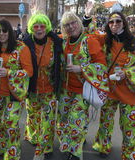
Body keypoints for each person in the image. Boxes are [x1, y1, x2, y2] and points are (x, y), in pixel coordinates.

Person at [91, 12, 135, 160]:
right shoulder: (105, 40)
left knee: (129, 125)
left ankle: (129, 154)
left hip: (130, 92)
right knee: (105, 121)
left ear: (124, 22)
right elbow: (87, 36)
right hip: (110, 90)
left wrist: (128, 73)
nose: (114, 24)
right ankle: (103, 146)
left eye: (118, 21)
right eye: (111, 22)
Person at [57, 11, 108, 160]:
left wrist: (81, 69)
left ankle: (74, 153)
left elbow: (101, 65)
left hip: (82, 90)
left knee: (75, 120)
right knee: (64, 120)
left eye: (73, 23)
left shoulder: (89, 41)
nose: (71, 27)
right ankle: (75, 140)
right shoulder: (64, 41)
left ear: (79, 23)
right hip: (66, 89)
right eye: (67, 25)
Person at [0, 18, 33, 160]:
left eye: (4, 30)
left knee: (10, 123)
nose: (1, 34)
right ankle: (1, 145)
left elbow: (29, 71)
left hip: (14, 94)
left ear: (10, 31)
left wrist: (9, 73)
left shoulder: (21, 48)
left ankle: (12, 153)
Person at [23, 13, 62, 160]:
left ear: (47, 27)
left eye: (42, 26)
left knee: (49, 119)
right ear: (32, 28)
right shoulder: (26, 42)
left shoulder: (56, 41)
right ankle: (33, 136)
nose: (39, 29)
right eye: (36, 26)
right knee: (33, 116)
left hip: (49, 88)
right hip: (32, 87)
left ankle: (46, 146)